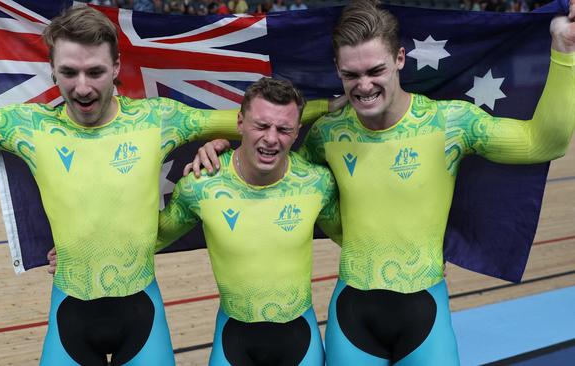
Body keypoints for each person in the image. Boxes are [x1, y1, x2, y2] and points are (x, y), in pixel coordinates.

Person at [0, 1, 337, 364]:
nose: (82, 86)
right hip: (70, 312)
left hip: (143, 316)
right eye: (69, 72)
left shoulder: (158, 120)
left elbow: (251, 123)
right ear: (52, 68)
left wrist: (335, 104)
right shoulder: (27, 126)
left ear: (117, 68)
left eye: (95, 71)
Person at [185, 0, 575, 364]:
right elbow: (279, 177)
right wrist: (225, 151)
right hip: (352, 319)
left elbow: (544, 142)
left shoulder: (451, 123)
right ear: (338, 71)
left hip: (426, 312)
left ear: (400, 59)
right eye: (351, 74)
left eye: (375, 71)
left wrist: (564, 50)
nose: (364, 85)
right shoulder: (328, 133)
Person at [48, 77, 343, 365]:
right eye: (261, 125)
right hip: (233, 345)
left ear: (297, 132)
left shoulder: (318, 183)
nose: (270, 137)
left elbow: (350, 236)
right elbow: (155, 237)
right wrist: (85, 255)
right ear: (240, 123)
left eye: (283, 129)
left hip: (301, 345)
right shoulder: (200, 185)